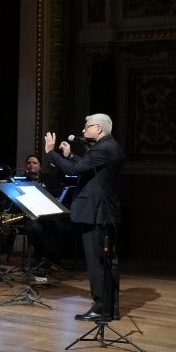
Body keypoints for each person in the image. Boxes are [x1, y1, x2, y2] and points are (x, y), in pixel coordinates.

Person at [44, 113, 125, 321]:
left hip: (97, 213)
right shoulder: (110, 147)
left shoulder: (103, 148)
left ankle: (101, 307)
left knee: (97, 262)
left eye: (87, 126)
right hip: (104, 212)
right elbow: (88, 166)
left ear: (98, 129)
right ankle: (110, 308)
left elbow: (75, 170)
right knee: (106, 262)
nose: (83, 130)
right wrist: (70, 155)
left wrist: (51, 153)